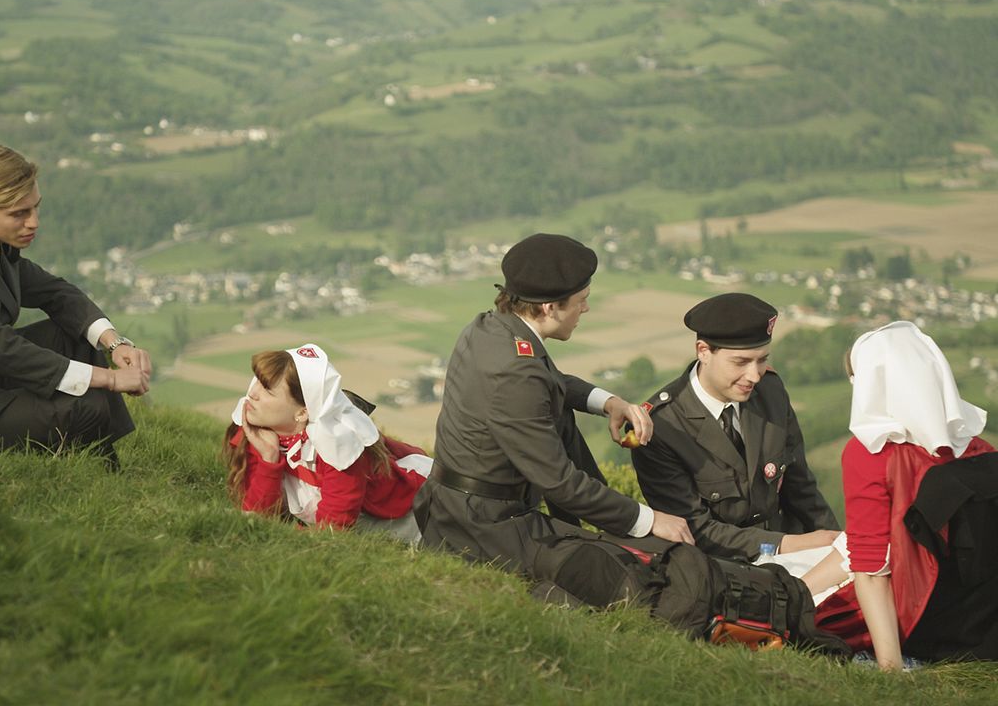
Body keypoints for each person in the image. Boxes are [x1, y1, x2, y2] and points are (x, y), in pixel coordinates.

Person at [414, 233, 693, 580]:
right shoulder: (514, 370)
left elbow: (548, 380)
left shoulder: (490, 328)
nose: (586, 309)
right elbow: (561, 483)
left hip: (459, 508)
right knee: (628, 581)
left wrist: (608, 402)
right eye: (581, 300)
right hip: (483, 528)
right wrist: (650, 520)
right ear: (549, 307)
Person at [0, 145, 148, 466]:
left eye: (35, 208)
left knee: (74, 337)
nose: (33, 223)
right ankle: (96, 474)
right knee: (86, 406)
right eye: (19, 214)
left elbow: (55, 293)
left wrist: (114, 343)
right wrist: (109, 379)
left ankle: (101, 461)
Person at [803, 321, 998, 670]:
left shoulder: (872, 455)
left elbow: (872, 569)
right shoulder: (978, 448)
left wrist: (889, 667)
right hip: (982, 624)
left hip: (920, 624)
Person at [631, 293, 839, 561]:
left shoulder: (770, 391)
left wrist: (840, 547)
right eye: (740, 362)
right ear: (703, 352)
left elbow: (802, 489)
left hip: (793, 555)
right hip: (719, 566)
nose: (754, 376)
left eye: (762, 360)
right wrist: (787, 545)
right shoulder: (661, 426)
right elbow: (695, 528)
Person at [224, 344, 431, 543]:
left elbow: (333, 532)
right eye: (258, 381)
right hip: (375, 530)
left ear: (303, 412)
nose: (252, 393)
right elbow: (256, 516)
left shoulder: (336, 445)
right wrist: (269, 459)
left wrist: (281, 532)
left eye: (268, 390)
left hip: (421, 515)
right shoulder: (261, 433)